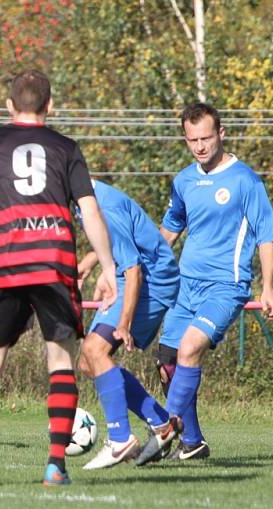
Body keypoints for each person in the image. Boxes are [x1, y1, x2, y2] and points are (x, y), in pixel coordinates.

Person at [0, 70, 118, 487]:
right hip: (55, 263)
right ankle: (56, 465)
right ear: (50, 106)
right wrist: (109, 269)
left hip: (4, 264)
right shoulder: (66, 148)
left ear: (8, 106)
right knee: (60, 360)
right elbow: (90, 212)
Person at [136, 102, 273, 465]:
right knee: (166, 362)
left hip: (224, 286)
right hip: (186, 287)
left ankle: (163, 433)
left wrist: (269, 286)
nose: (200, 146)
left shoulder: (245, 180)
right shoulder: (184, 180)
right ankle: (193, 443)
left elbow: (267, 236)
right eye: (192, 140)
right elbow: (169, 229)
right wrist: (136, 265)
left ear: (221, 134)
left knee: (188, 350)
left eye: (206, 138)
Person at [75, 180, 179, 469]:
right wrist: (88, 262)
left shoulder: (103, 208)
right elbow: (113, 239)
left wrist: (124, 324)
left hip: (151, 283)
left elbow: (133, 269)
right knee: (88, 361)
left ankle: (120, 438)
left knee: (96, 352)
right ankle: (161, 424)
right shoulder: (85, 197)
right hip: (132, 276)